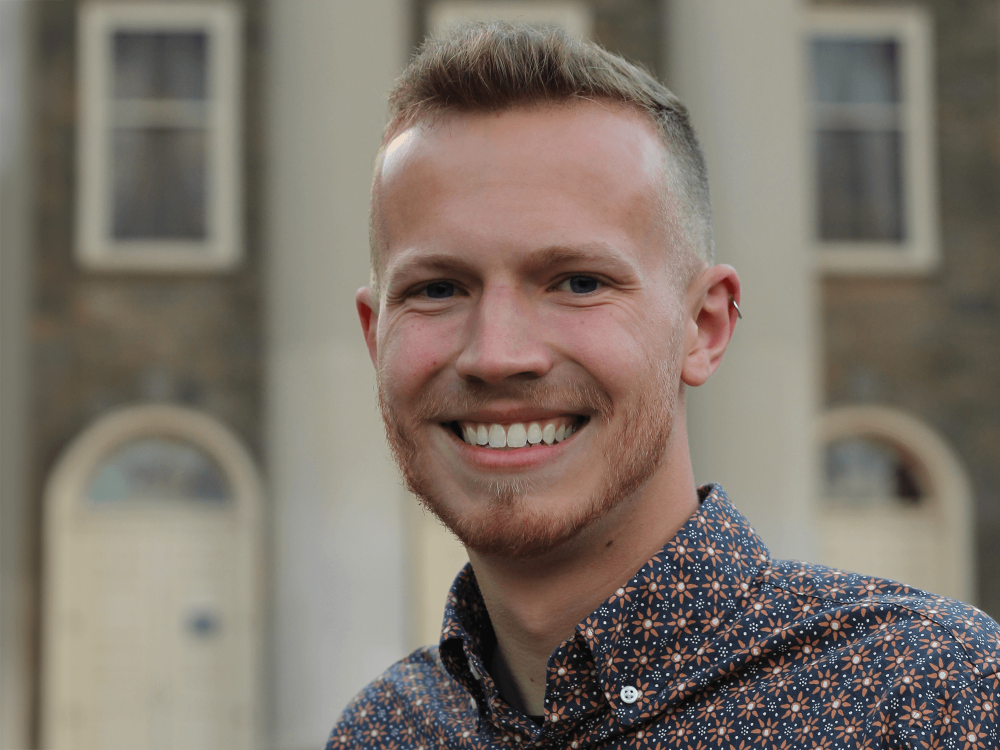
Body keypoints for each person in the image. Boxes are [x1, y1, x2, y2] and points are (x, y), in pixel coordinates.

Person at [329, 22, 1000, 749]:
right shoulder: (385, 731)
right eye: (436, 289)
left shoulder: (935, 698)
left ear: (704, 327)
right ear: (376, 336)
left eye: (578, 282)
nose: (497, 355)